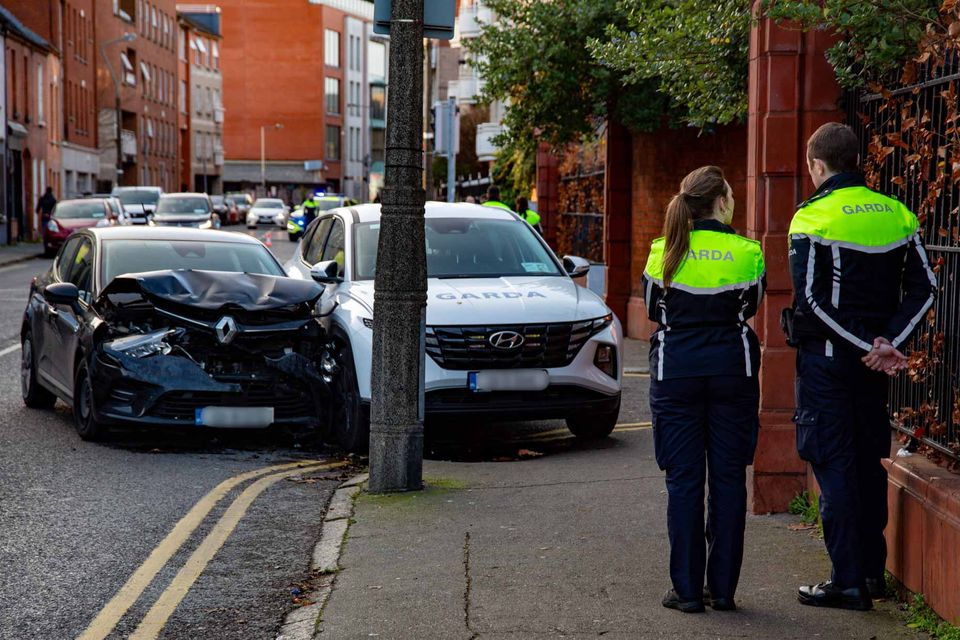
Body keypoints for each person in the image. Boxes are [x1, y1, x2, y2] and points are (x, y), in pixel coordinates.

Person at [787, 123, 936, 611]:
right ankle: (872, 572)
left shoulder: (811, 218)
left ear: (817, 164)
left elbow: (811, 302)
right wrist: (888, 344)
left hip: (830, 364)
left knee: (834, 465)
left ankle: (847, 582)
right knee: (869, 462)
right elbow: (926, 288)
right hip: (875, 368)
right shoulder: (896, 213)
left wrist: (864, 345)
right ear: (857, 161)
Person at [642, 166, 766, 614]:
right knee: (730, 480)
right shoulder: (747, 251)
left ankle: (688, 591)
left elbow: (656, 313)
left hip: (676, 374)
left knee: (684, 481)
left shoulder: (662, 252)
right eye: (730, 193)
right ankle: (725, 591)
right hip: (734, 372)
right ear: (720, 201)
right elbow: (751, 305)